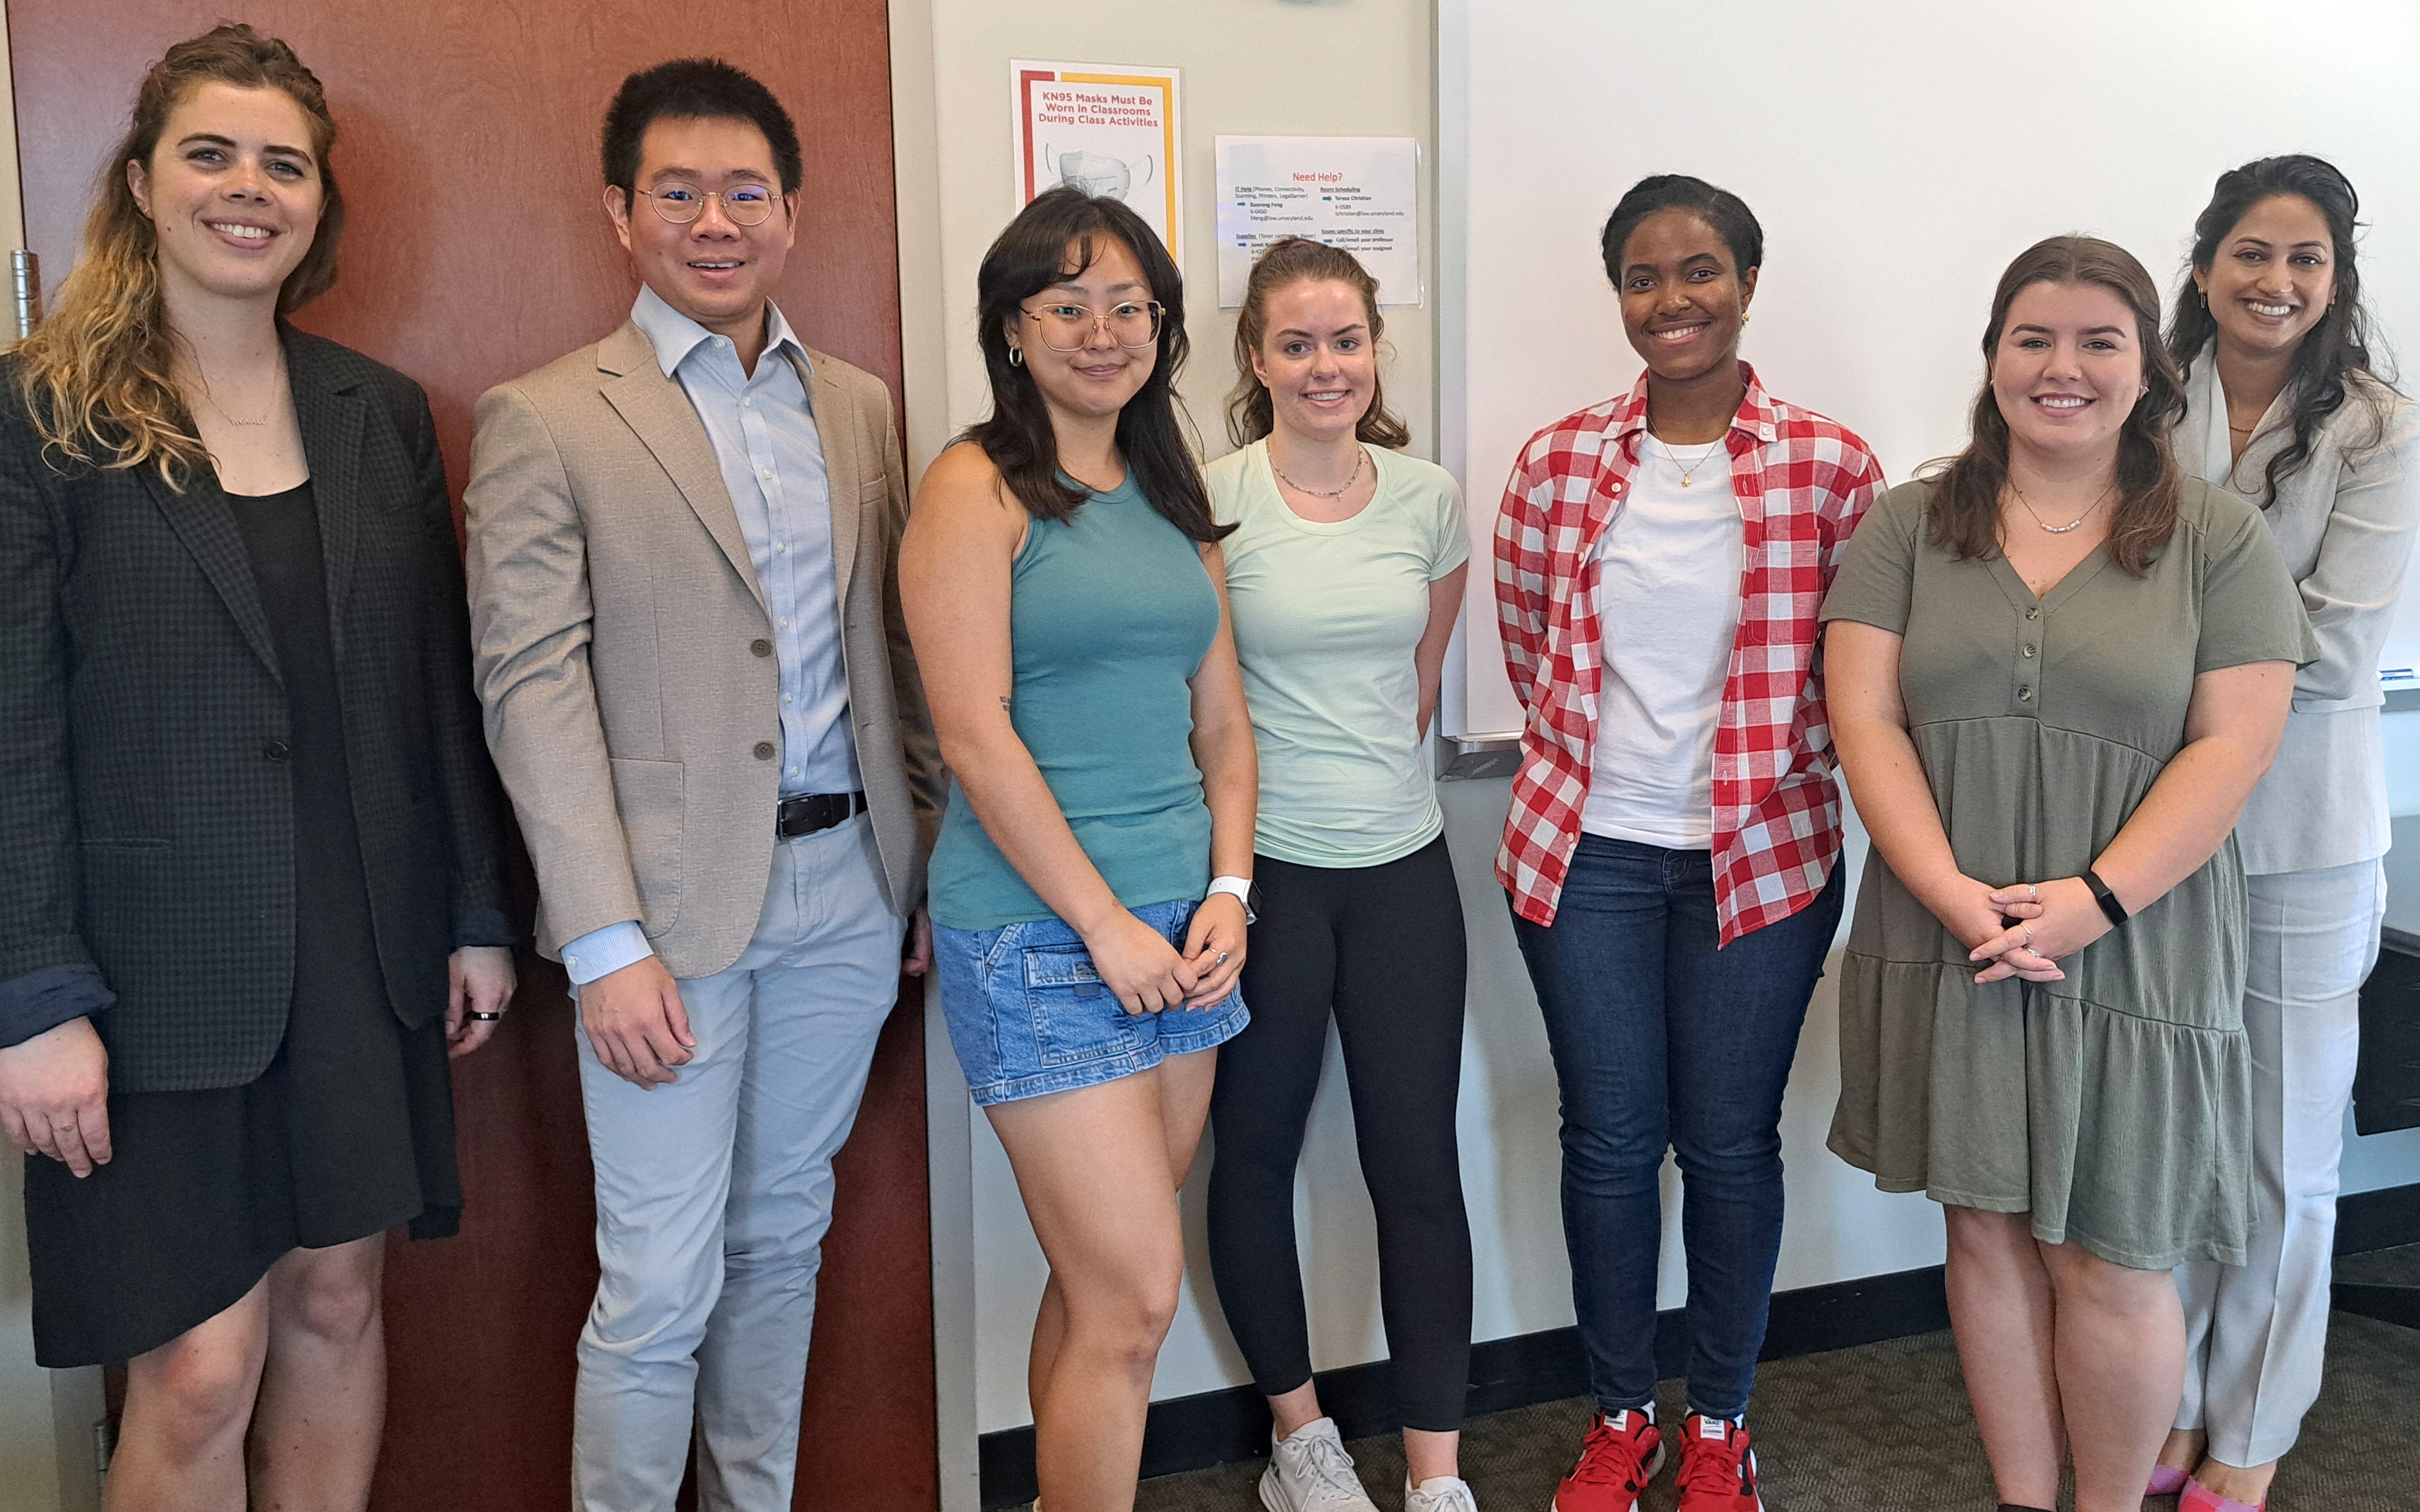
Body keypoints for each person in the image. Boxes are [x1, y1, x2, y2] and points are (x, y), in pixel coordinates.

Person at [0, 25, 515, 1509]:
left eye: (282, 162)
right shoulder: (41, 419)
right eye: (211, 154)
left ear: (317, 202)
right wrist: (32, 995)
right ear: (144, 184)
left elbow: (432, 688)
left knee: (339, 1309)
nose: (249, 187)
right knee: (196, 1370)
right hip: (147, 980)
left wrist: (478, 911)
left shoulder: (375, 413)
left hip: (360, 948)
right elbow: (13, 727)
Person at [462, 58, 941, 1512]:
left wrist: (913, 864)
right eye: (678, 192)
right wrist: (601, 940)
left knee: (781, 1242)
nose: (714, 221)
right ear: (622, 213)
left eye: (745, 192)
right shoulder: (546, 417)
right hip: (661, 923)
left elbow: (896, 655)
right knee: (658, 1278)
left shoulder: (855, 406)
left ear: (790, 214)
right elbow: (528, 687)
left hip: (847, 895)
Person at [1821, 236, 2313, 1512]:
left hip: (2136, 935)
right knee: (1981, 1228)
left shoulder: (2218, 537)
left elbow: (2235, 743)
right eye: (2030, 337)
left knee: (2112, 1249)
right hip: (1951, 925)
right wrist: (1946, 892)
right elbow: (1864, 721)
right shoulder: (1904, 524)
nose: (2061, 367)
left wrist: (2091, 900)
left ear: (2145, 366)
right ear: (1990, 359)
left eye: (2098, 340)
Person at [1495, 175, 1884, 1512]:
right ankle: (1619, 1416)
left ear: (1746, 283)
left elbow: (1861, 670)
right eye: (1643, 278)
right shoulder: (1553, 461)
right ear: (1618, 296)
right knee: (1605, 1141)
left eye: (1699, 270)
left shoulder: (1830, 465)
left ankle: (1718, 1422)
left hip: (1761, 857)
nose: (1671, 300)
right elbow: (1530, 644)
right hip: (1583, 853)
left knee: (1726, 1144)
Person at [901, 187, 1255, 1510]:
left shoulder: (1171, 492)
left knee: (1101, 1283)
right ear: (1010, 327)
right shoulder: (972, 483)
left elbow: (1224, 724)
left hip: (1183, 924)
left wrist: (1227, 888)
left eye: (1129, 306)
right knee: (1135, 1300)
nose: (1100, 330)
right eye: (1066, 303)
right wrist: (1106, 924)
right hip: (1046, 931)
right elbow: (972, 733)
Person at [2149, 156, 2420, 1512]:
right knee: (2170, 1136)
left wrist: (2146, 652)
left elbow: (2330, 645)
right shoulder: (2142, 398)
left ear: (2334, 279)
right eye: (2250, 253)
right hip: (2147, 829)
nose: (2274, 282)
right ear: (2203, 265)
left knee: (2278, 1154)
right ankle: (2174, 1400)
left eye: (2304, 259)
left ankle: (2246, 1435)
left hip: (2300, 838)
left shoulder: (2378, 425)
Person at [1202, 237, 1475, 1512]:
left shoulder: (1426, 497)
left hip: (1402, 872)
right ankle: (1297, 1439)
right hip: (1263, 882)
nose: (1326, 365)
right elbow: (1206, 713)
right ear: (1255, 358)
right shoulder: (1208, 497)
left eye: (1346, 339)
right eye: (1296, 343)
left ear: (1376, 350)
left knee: (1416, 1164)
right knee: (1250, 1155)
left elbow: (1414, 693)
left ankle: (1434, 1474)